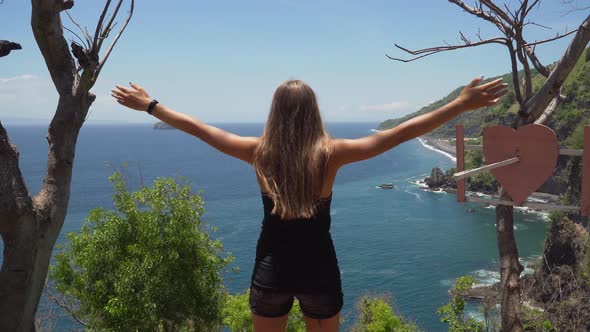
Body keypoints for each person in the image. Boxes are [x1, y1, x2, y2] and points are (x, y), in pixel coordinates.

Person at [112, 77, 507, 332]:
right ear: (313, 112)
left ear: (275, 114)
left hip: (271, 270)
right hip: (319, 269)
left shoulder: (257, 152)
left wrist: (150, 105)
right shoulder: (331, 154)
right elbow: (400, 133)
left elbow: (199, 128)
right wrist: (459, 105)